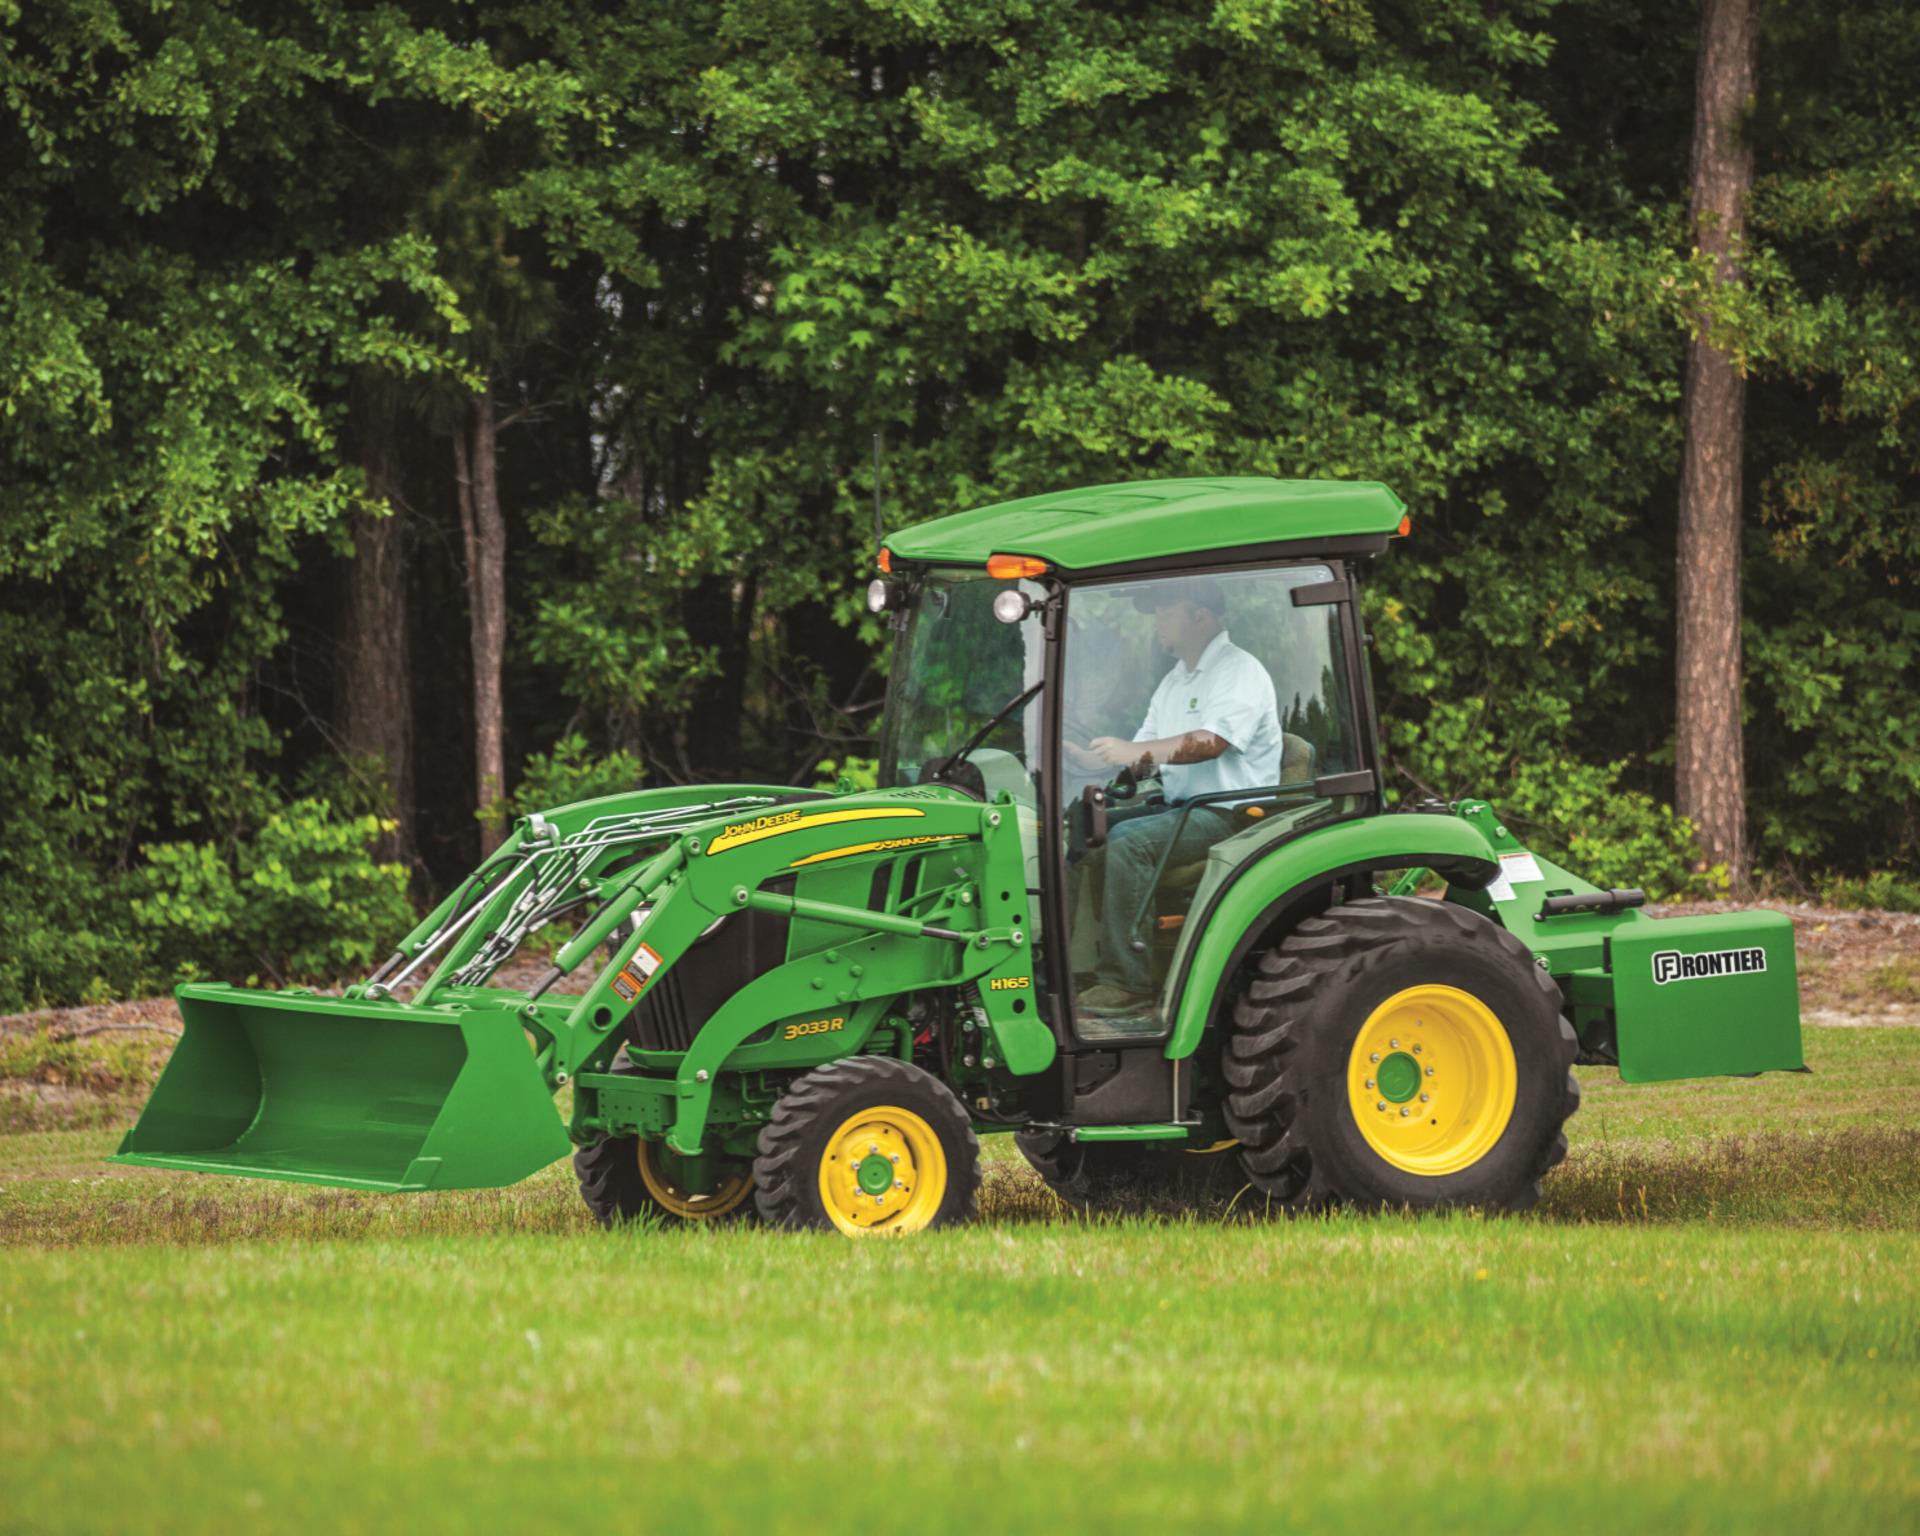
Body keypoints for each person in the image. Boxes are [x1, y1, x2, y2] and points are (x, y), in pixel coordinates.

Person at [1064, 577, 1282, 1017]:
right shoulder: (1176, 681)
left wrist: (1134, 751)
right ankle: (1072, 956)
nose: (1157, 626)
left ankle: (1128, 982)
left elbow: (1211, 742)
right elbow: (1148, 757)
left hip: (1231, 813)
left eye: (1166, 614)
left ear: (1200, 617)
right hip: (1183, 807)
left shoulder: (1239, 672)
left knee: (1129, 842)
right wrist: (1094, 763)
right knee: (1086, 823)